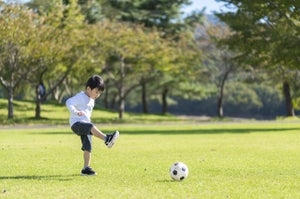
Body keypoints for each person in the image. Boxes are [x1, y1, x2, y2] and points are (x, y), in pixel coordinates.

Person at [66, 74, 119, 176]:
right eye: (96, 92)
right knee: (91, 126)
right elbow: (69, 102)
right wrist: (76, 112)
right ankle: (107, 139)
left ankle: (86, 168)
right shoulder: (81, 96)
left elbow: (87, 114)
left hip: (85, 124)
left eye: (100, 93)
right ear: (88, 89)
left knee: (88, 147)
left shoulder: (92, 100)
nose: (98, 95)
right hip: (76, 124)